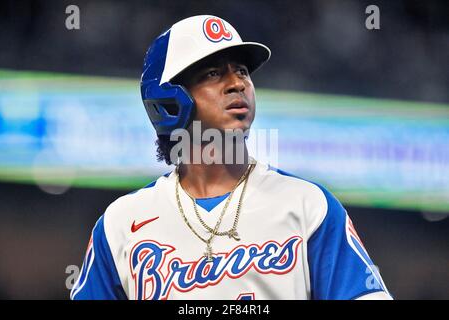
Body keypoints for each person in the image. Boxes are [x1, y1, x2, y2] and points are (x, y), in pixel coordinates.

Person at [70, 15, 392, 300]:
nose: (237, 83)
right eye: (212, 73)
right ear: (168, 100)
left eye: (241, 71)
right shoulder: (121, 224)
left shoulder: (308, 206)